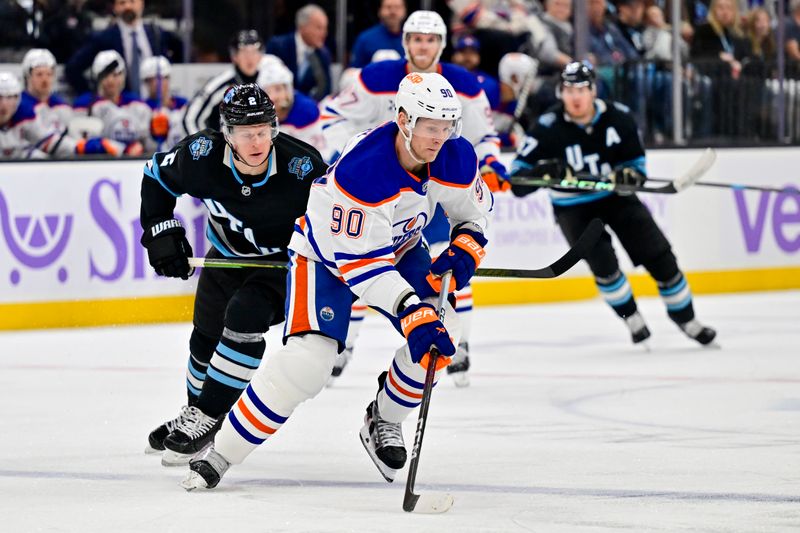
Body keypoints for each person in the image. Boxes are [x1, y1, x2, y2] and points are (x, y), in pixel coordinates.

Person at [181, 72, 492, 490]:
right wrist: (410, 309)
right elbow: (363, 267)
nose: (439, 137)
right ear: (403, 120)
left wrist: (468, 241)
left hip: (399, 246)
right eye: (429, 126)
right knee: (308, 364)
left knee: (444, 333)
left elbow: (473, 210)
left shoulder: (455, 156)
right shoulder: (363, 171)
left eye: (445, 126)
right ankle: (223, 452)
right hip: (327, 257)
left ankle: (384, 418)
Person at [140, 83, 326, 466]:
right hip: (225, 258)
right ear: (227, 134)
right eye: (246, 134)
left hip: (281, 267)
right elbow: (155, 177)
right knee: (204, 337)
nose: (257, 142)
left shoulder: (301, 166)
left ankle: (209, 416)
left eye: (264, 131)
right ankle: (196, 413)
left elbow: (339, 211)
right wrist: (160, 229)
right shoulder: (200, 155)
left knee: (244, 317)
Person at [320, 9, 504, 385]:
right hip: (377, 187)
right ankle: (347, 345)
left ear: (441, 44)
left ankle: (460, 344)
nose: (424, 46)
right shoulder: (374, 79)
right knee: (363, 262)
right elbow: (333, 117)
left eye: (431, 39)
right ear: (405, 42)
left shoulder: (463, 85)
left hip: (435, 185)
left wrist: (488, 164)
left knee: (446, 268)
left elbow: (484, 135)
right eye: (417, 39)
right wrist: (346, 156)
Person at [510, 61, 716, 346]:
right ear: (561, 92)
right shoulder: (546, 128)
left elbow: (636, 165)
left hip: (616, 199)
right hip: (573, 209)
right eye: (569, 89)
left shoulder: (619, 117)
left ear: (593, 90)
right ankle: (632, 318)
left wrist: (630, 175)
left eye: (581, 89)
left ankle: (688, 321)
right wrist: (541, 174)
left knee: (662, 259)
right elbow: (517, 184)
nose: (575, 96)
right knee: (604, 267)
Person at [65, 0, 183, 96]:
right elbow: (73, 68)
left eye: (132, 1)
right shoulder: (104, 38)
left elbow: (180, 52)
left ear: (141, 3)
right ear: (115, 8)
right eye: (122, 3)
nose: (127, 6)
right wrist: (92, 95)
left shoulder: (157, 34)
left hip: (154, 105)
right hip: (121, 107)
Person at [0, 70, 126, 159]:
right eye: (0, 97)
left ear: (18, 98)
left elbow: (49, 142)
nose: (4, 104)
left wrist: (81, 147)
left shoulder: (25, 114)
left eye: (10, 97)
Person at [182, 29, 264, 135]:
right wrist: (205, 147)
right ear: (234, 56)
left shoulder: (268, 82)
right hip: (223, 148)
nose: (250, 58)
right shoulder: (221, 85)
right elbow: (190, 119)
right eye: (244, 52)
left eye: (254, 52)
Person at [256, 56, 334, 162]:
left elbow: (318, 157)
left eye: (278, 89)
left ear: (288, 89)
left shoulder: (306, 110)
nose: (273, 96)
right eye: (267, 91)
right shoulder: (259, 112)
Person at [72, 50, 150, 154]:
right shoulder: (84, 104)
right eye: (105, 75)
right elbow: (78, 141)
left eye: (115, 74)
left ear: (123, 75)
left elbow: (147, 141)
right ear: (97, 77)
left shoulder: (136, 104)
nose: (110, 80)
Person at [267, 4, 332, 101]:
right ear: (303, 27)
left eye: (325, 28)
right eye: (319, 27)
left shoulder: (323, 54)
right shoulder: (278, 46)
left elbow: (325, 91)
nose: (324, 33)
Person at [140, 55, 188, 150]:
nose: (158, 83)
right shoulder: (142, 107)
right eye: (152, 79)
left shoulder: (183, 104)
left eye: (163, 78)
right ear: (146, 83)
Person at [349, 0, 407, 68]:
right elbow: (354, 71)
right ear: (379, 11)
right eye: (388, 7)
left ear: (405, 11)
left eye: (397, 7)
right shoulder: (365, 39)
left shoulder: (413, 39)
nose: (393, 11)